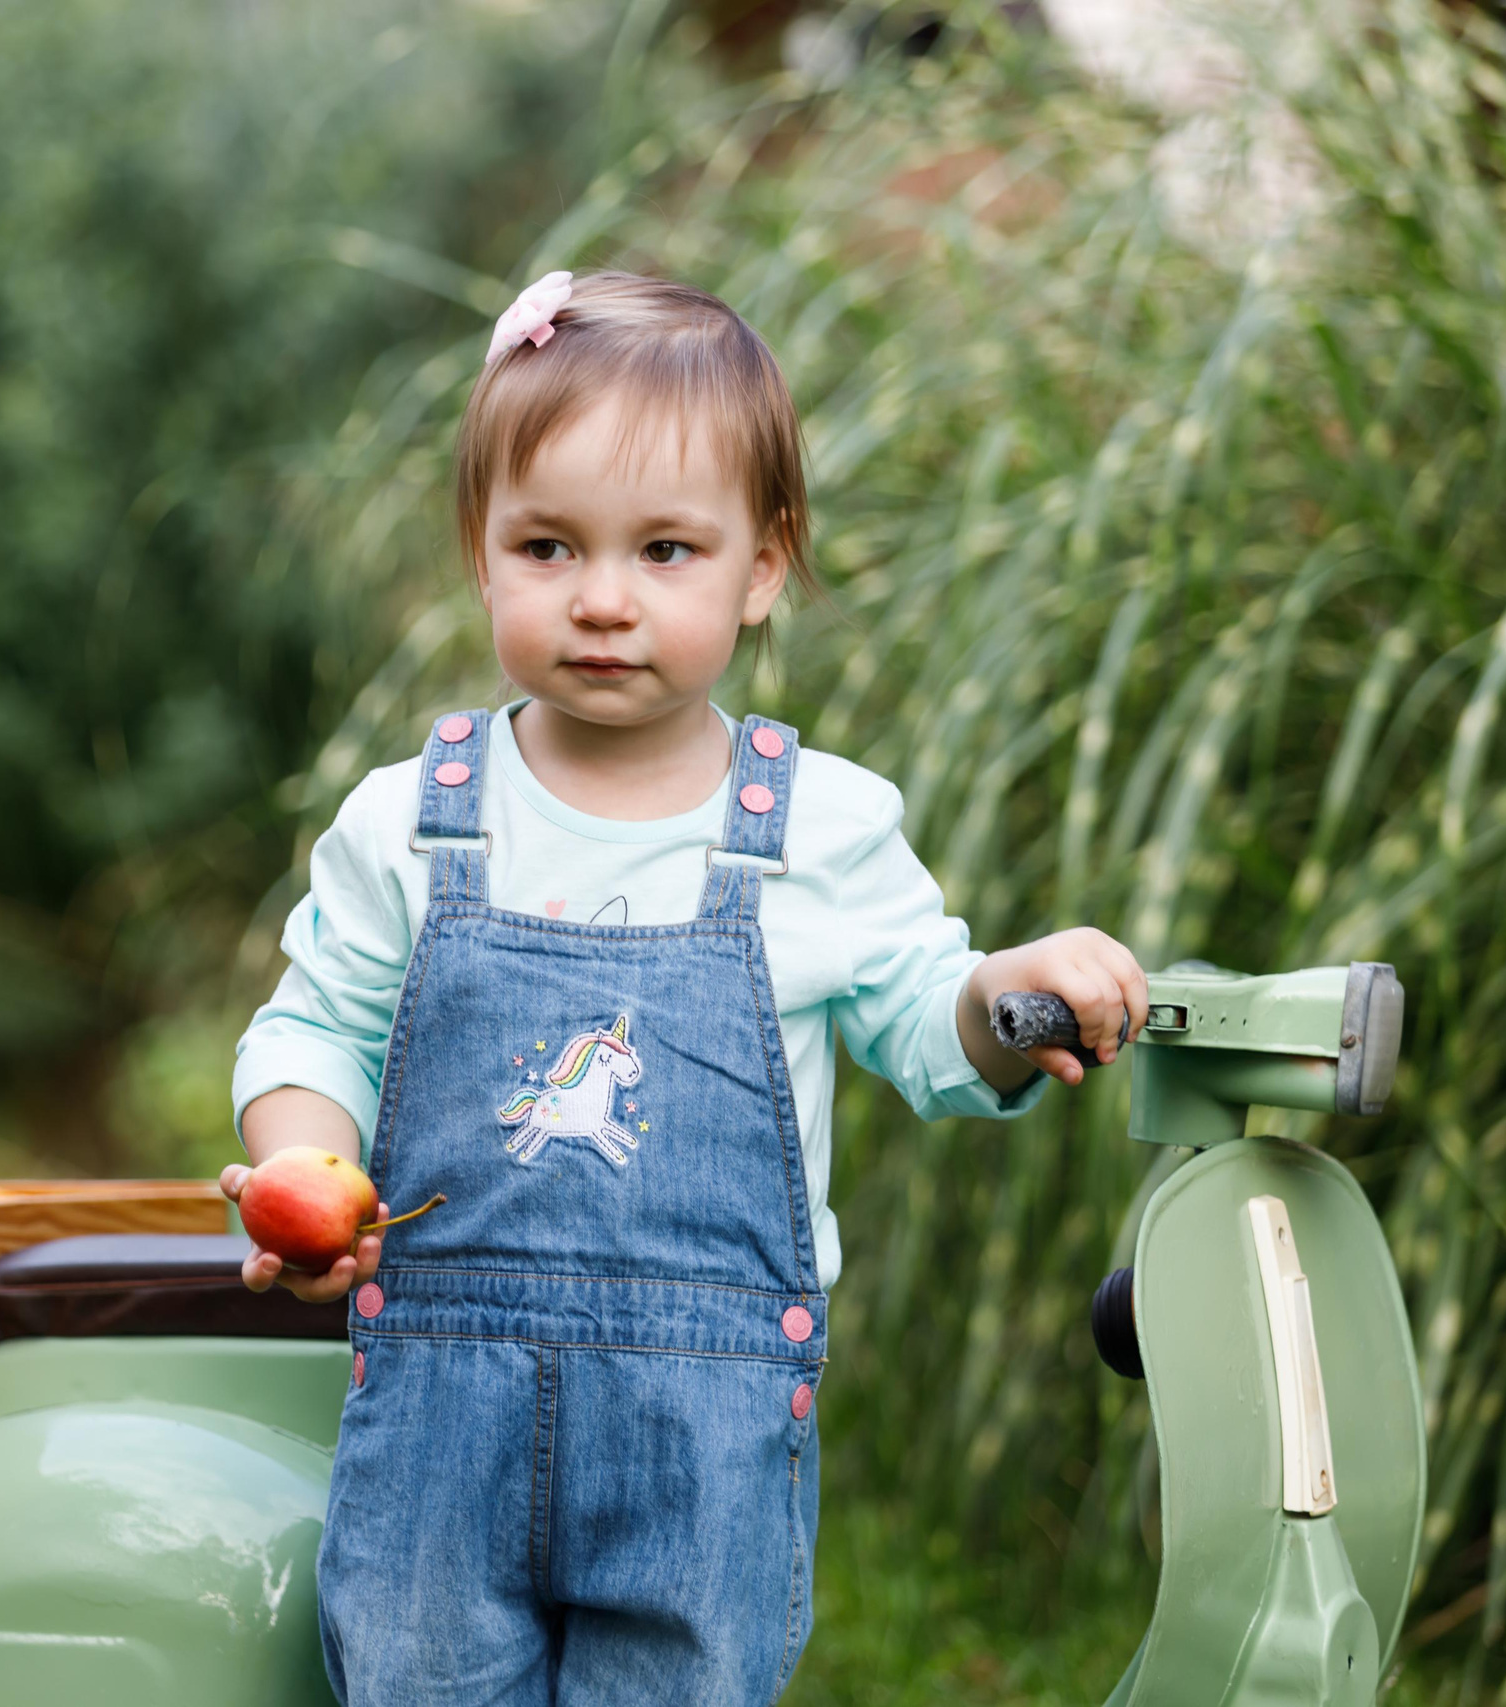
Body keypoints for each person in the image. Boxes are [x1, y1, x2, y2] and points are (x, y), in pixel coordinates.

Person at [221, 268, 1147, 1705]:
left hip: (700, 1439)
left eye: (664, 551)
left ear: (761, 567)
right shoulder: (412, 818)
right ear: (481, 550)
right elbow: (317, 1027)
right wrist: (306, 1163)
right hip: (435, 1433)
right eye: (547, 547)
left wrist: (1008, 993)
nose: (602, 601)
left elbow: (926, 1017)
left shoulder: (819, 830)